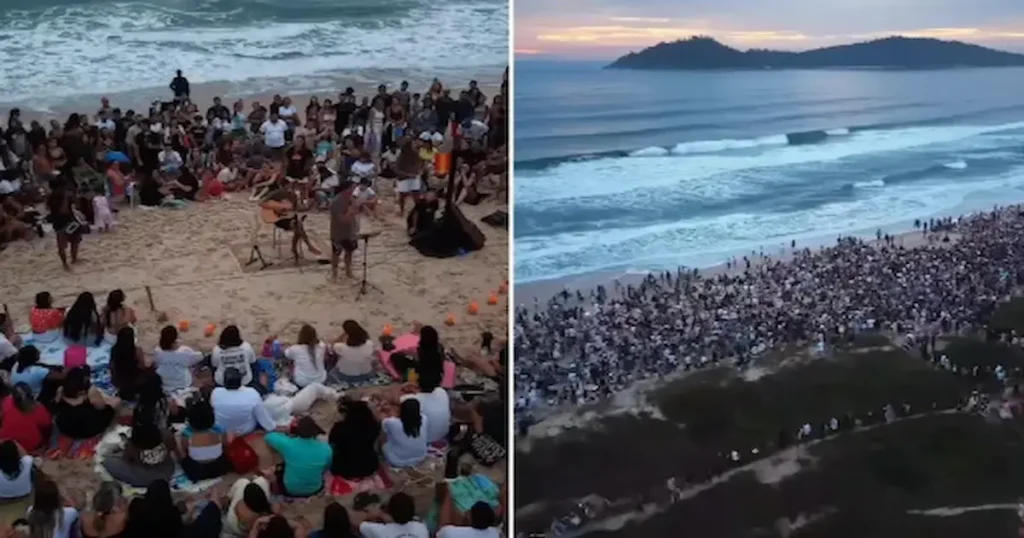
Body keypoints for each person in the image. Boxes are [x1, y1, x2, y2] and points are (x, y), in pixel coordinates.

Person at [264, 416, 332, 497]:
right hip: (315, 488)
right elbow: (326, 468)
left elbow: (268, 437)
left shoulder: (289, 444)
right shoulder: (326, 449)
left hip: (290, 489)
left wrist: (286, 432)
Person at [101, 419, 176, 487]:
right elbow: (172, 444)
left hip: (144, 475)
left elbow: (123, 458)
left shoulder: (133, 450)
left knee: (108, 461)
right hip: (167, 470)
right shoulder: (166, 436)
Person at [54, 367, 118, 440]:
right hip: (87, 429)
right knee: (114, 405)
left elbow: (56, 405)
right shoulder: (90, 391)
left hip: (65, 427)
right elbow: (101, 407)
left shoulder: (61, 389)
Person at [211, 368, 276, 436]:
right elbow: (263, 418)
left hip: (222, 432)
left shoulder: (215, 392)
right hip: (245, 432)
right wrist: (272, 427)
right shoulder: (252, 393)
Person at [178, 399, 231, 482]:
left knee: (183, 459)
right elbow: (225, 445)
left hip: (197, 470)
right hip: (218, 467)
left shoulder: (186, 433)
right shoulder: (219, 430)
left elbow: (185, 450)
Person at [328, 399, 380, 480]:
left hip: (342, 468)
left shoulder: (340, 427)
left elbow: (331, 443)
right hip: (368, 467)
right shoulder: (373, 427)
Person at [152, 325, 204, 395]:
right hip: (183, 383)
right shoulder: (183, 351)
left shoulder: (157, 351)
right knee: (196, 365)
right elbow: (200, 357)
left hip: (164, 383)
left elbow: (156, 364)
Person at [0, 384, 51, 453]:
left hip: (6, 445)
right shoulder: (39, 408)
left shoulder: (6, 401)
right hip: (29, 447)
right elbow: (47, 426)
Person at [381, 399, 428, 468]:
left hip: (397, 460)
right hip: (421, 456)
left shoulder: (391, 422)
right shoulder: (424, 418)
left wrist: (385, 409)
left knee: (382, 436)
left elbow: (382, 420)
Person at [356, 493, 428, 538]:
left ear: (390, 512)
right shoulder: (422, 528)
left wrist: (377, 514)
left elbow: (358, 524)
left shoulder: (380, 531)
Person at [46, 179, 81, 271]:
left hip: (61, 221)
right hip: (63, 220)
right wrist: (67, 198)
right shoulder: (60, 196)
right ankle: (69, 262)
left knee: (72, 240)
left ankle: (70, 261)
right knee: (69, 241)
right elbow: (64, 211)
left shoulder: (51, 196)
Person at [108, 327, 151, 401]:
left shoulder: (114, 349)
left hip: (119, 381)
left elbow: (111, 366)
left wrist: (114, 378)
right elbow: (142, 366)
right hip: (133, 381)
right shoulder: (137, 351)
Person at [328, 180, 359, 281]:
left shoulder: (351, 199)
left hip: (350, 231)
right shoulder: (337, 201)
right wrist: (351, 211)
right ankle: (334, 273)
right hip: (339, 232)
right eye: (352, 188)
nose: (354, 190)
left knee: (349, 252)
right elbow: (341, 220)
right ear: (346, 189)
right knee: (336, 253)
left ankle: (348, 271)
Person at [0, 440, 35, 511]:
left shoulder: (27, 461)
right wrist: (14, 442)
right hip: (24, 494)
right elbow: (25, 454)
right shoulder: (27, 461)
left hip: (3, 497)